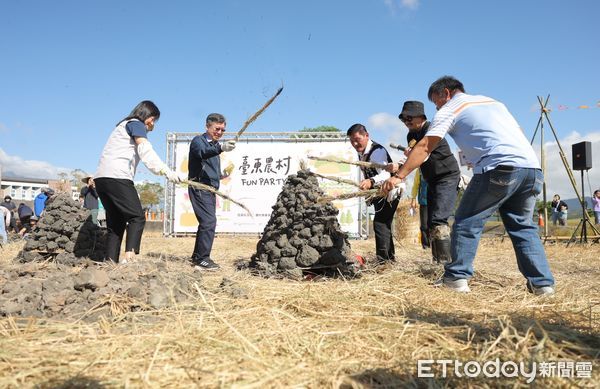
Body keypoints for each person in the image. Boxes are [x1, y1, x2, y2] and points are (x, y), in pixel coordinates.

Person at [382, 76, 555, 295]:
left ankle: (455, 277)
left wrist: (399, 176)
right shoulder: (493, 103)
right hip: (531, 169)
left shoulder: (450, 109)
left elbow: (425, 147)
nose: (438, 107)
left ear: (446, 93)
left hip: (498, 168)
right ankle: (542, 284)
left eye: (436, 102)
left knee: (465, 222)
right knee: (523, 227)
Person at [94, 100, 183, 264]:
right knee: (137, 217)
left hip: (101, 179)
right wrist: (166, 171)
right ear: (146, 115)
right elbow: (145, 150)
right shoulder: (136, 123)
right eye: (153, 119)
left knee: (116, 223)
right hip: (117, 177)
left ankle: (110, 263)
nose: (152, 123)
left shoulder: (121, 126)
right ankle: (130, 259)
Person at [388, 101, 460, 262]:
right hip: (431, 180)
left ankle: (445, 266)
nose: (406, 122)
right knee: (430, 223)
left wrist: (400, 173)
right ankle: (437, 262)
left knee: (439, 220)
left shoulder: (431, 129)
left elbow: (423, 152)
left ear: (421, 117)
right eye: (403, 119)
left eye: (409, 117)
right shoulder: (411, 135)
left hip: (447, 176)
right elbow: (416, 157)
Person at [188, 113, 237, 270]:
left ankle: (197, 256)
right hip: (200, 187)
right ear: (207, 127)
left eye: (223, 130)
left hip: (210, 189)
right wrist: (221, 148)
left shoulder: (214, 147)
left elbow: (209, 168)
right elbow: (202, 153)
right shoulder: (199, 141)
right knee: (209, 222)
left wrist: (222, 175)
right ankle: (203, 259)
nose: (220, 132)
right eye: (217, 129)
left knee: (206, 222)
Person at [347, 123, 398, 264]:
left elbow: (386, 173)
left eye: (358, 139)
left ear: (367, 135)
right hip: (379, 193)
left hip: (390, 191)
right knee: (384, 224)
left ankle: (383, 261)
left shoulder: (377, 151)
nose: (355, 143)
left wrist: (371, 180)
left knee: (380, 223)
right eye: (352, 141)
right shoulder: (362, 152)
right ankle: (389, 259)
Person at [411, 169, 429, 249]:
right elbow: (416, 184)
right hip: (424, 201)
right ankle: (426, 246)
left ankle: (435, 246)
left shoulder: (438, 166)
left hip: (437, 201)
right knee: (424, 225)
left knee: (435, 224)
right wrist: (413, 198)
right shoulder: (420, 170)